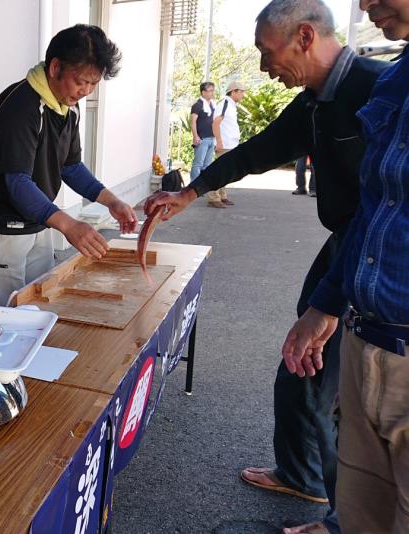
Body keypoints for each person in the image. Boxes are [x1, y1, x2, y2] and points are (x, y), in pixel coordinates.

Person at [143, 1, 389, 532]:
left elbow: (387, 206)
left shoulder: (379, 87)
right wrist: (190, 192)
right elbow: (261, 148)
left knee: (346, 389)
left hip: (376, 254)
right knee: (302, 365)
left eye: (265, 52)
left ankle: (340, 517)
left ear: (304, 36)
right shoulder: (315, 102)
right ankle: (302, 473)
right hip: (343, 245)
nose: (262, 67)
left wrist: (330, 304)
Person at [281, 1, 409, 530]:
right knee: (362, 514)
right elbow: (374, 207)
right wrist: (326, 303)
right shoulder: (394, 81)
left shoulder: (366, 78)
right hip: (365, 333)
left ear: (305, 38)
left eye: (271, 53)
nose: (363, 4)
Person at [0, 24, 136, 307]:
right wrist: (68, 224)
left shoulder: (68, 106)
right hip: (1, 223)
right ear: (55, 67)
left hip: (39, 216)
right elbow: (17, 182)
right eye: (81, 81)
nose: (86, 91)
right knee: (4, 310)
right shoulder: (21, 107)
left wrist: (111, 201)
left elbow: (70, 166)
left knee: (41, 299)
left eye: (93, 84)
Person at [212, 80, 245, 208]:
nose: (243, 95)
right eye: (241, 92)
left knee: (226, 172)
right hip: (224, 145)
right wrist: (219, 142)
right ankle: (213, 198)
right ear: (233, 92)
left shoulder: (231, 105)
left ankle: (222, 196)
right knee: (220, 171)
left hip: (230, 144)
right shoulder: (225, 103)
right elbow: (215, 123)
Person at [190, 81, 223, 207]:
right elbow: (193, 121)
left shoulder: (213, 105)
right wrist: (195, 136)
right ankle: (194, 187)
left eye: (213, 90)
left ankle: (203, 187)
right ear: (203, 92)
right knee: (198, 163)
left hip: (211, 138)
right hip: (202, 138)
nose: (212, 93)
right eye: (210, 90)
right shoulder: (197, 105)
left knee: (207, 165)